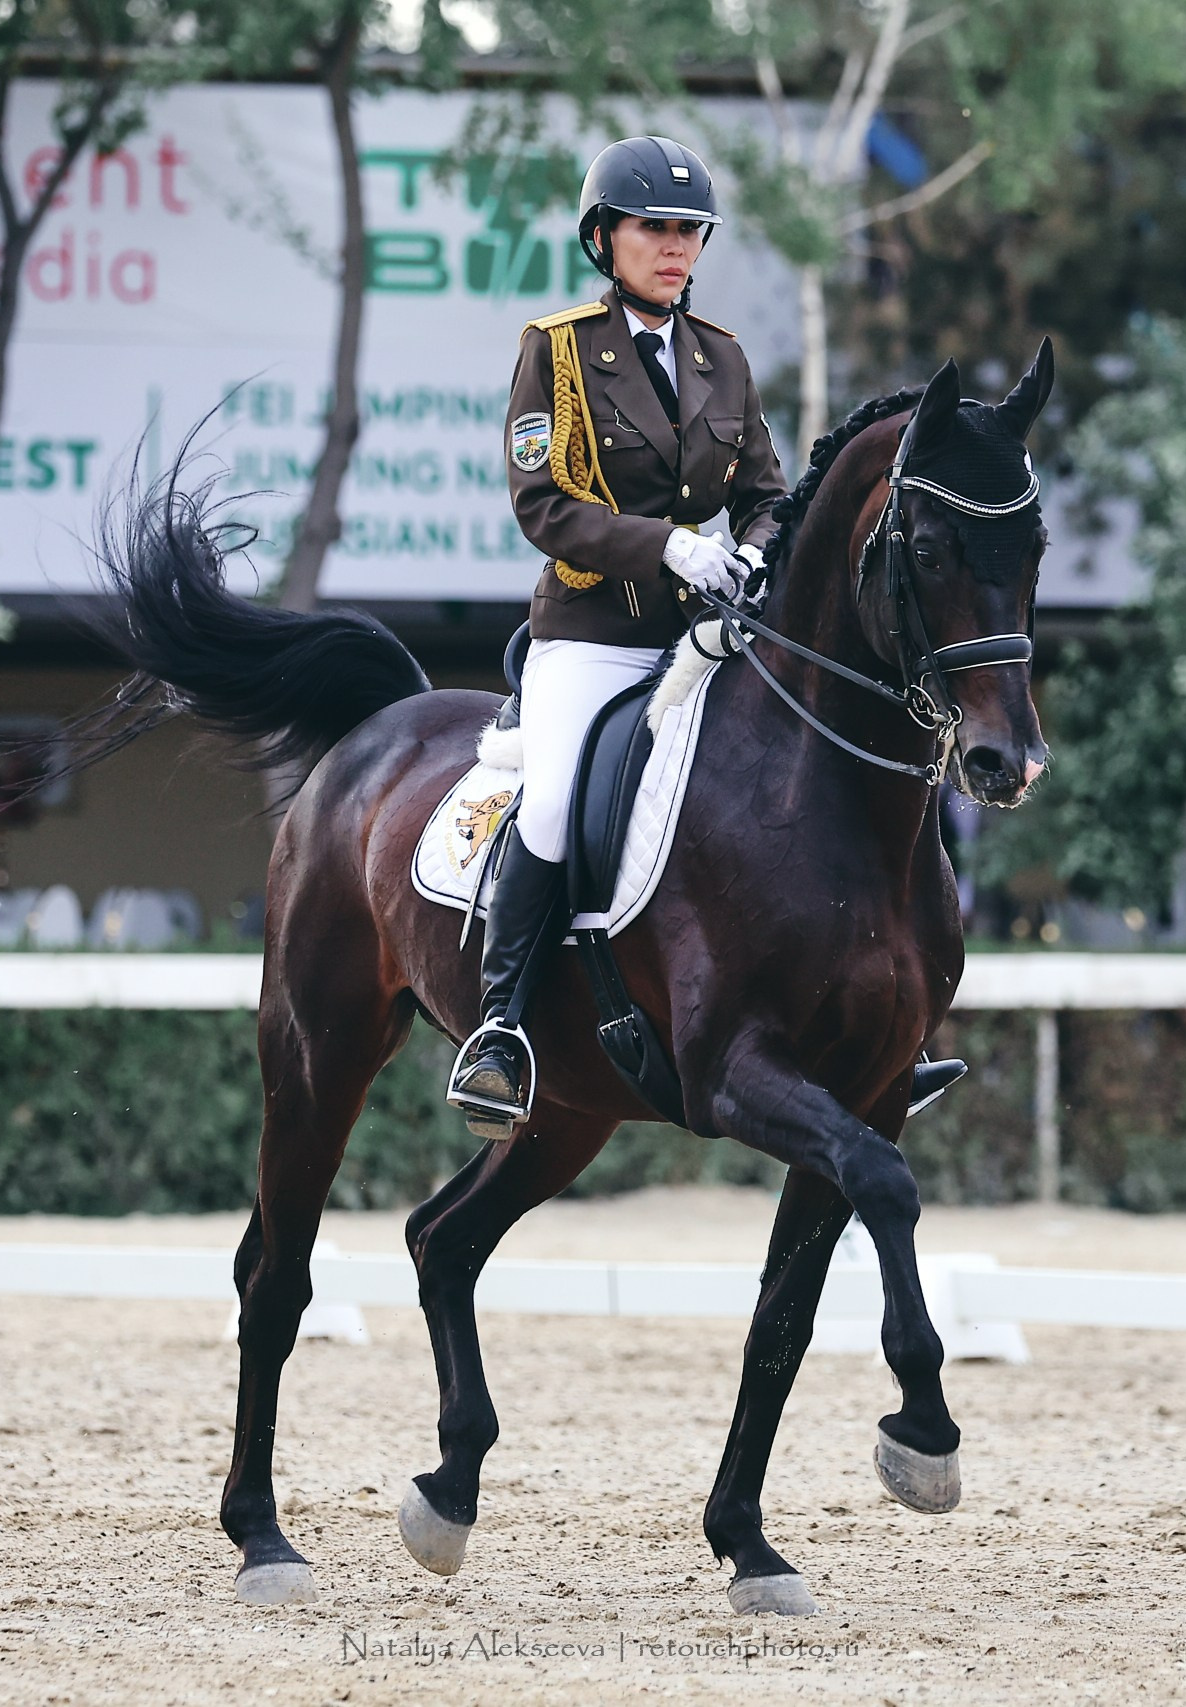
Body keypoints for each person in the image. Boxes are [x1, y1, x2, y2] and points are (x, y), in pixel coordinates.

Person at [446, 136, 790, 1136]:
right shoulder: (556, 350)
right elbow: (541, 504)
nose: (674, 246)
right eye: (654, 228)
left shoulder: (721, 357)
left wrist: (757, 553)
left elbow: (766, 494)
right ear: (605, 237)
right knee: (549, 803)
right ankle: (501, 1029)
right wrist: (670, 548)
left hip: (704, 637)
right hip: (593, 637)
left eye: (688, 231)